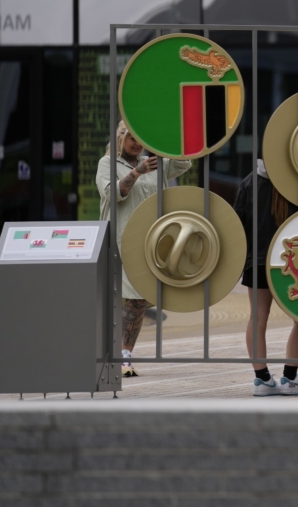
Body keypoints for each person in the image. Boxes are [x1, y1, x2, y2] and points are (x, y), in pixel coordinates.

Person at [96, 120, 192, 377]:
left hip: (149, 241)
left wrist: (162, 144)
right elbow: (114, 193)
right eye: (131, 138)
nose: (136, 143)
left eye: (140, 138)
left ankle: (124, 354)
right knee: (114, 299)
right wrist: (137, 171)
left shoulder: (155, 161)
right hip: (117, 240)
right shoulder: (107, 164)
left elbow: (185, 162)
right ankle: (107, 353)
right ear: (119, 138)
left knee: (138, 298)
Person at [233, 159, 298, 396]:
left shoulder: (250, 181)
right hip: (292, 261)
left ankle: (262, 380)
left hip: (257, 260)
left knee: (258, 319)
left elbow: (237, 223)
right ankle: (290, 378)